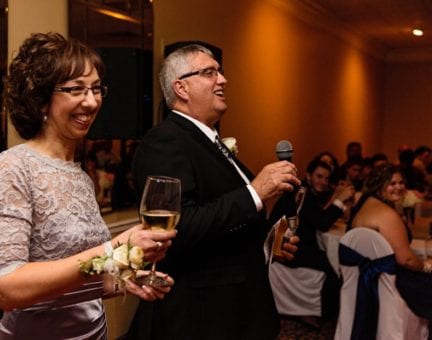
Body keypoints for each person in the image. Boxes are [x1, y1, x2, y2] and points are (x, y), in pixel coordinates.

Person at [0, 32, 175, 340]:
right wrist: (114, 249)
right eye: (76, 90)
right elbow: (6, 289)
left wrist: (123, 278)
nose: (92, 101)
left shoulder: (80, 175)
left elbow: (71, 282)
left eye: (97, 89)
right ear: (41, 98)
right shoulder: (13, 166)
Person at [127, 43, 301, 340]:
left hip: (237, 309)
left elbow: (224, 223)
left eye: (220, 72)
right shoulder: (165, 141)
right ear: (181, 88)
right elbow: (181, 227)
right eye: (209, 72)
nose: (222, 80)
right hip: (201, 317)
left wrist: (267, 242)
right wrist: (255, 192)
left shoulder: (210, 142)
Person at [270, 159, 352, 326]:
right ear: (308, 176)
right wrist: (340, 200)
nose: (323, 182)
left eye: (326, 178)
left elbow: (317, 216)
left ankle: (320, 312)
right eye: (319, 177)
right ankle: (325, 314)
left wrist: (336, 197)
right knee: (334, 271)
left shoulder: (305, 191)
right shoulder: (301, 194)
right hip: (288, 248)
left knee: (330, 263)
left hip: (296, 243)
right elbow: (322, 223)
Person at [346, 166, 432, 319]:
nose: (398, 187)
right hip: (388, 280)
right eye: (392, 183)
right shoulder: (386, 214)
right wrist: (425, 266)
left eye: (401, 182)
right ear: (379, 184)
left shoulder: (367, 203)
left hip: (370, 277)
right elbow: (406, 260)